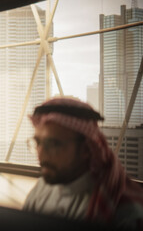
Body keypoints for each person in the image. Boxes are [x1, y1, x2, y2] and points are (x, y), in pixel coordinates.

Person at [23, 97, 143, 230]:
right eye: (38, 143)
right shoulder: (42, 188)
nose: (41, 154)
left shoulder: (123, 212)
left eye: (53, 144)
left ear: (86, 149)